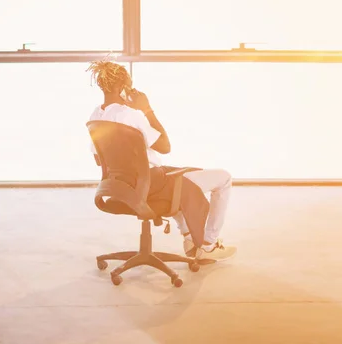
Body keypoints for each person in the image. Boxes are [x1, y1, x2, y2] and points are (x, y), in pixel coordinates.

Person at [87, 60, 237, 262]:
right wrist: (147, 110)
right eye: (130, 86)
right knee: (223, 178)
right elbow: (165, 146)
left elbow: (99, 159)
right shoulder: (132, 115)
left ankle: (189, 238)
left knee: (181, 179)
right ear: (120, 87)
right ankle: (209, 244)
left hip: (120, 186)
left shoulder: (95, 116)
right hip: (150, 184)